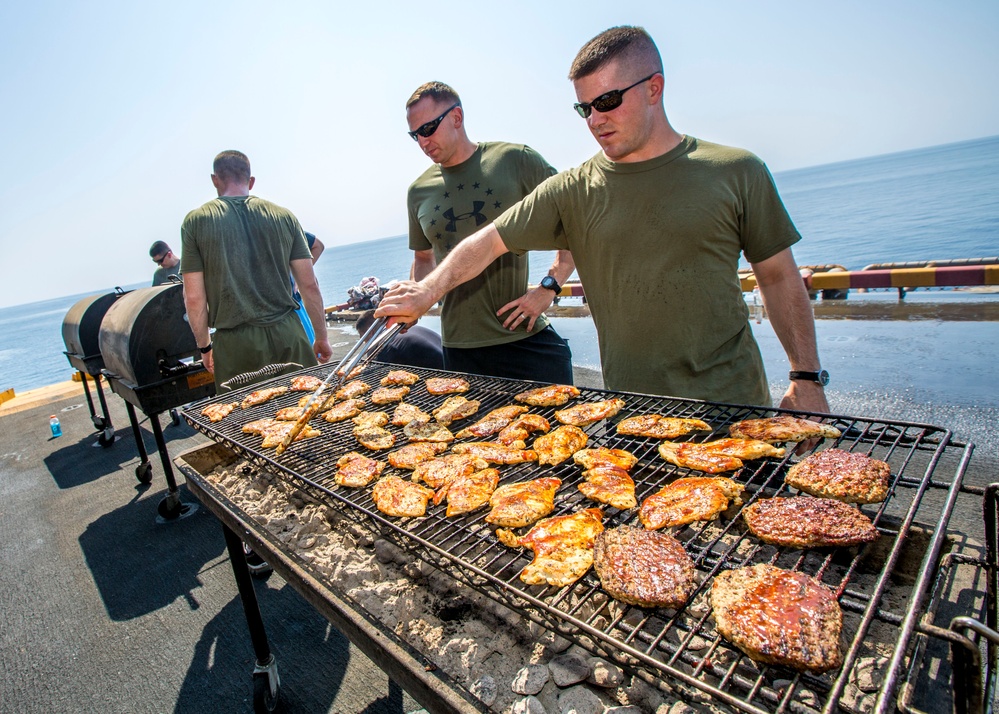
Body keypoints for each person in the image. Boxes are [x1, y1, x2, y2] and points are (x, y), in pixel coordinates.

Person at [379, 27, 829, 414]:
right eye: (585, 108)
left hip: (735, 402)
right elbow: (487, 241)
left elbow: (777, 276)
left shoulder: (736, 170)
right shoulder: (571, 190)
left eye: (608, 100)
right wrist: (427, 291)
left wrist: (806, 377)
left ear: (654, 87)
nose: (595, 119)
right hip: (632, 413)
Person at [405, 81, 575, 384]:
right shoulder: (418, 191)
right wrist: (416, 299)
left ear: (456, 117)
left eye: (428, 128)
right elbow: (422, 257)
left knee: (561, 431)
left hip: (526, 338)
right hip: (461, 351)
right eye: (415, 134)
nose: (422, 142)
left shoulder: (515, 160)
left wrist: (549, 287)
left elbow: (576, 221)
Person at [180, 150, 333, 388]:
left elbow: (193, 298)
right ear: (251, 181)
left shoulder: (196, 222)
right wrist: (321, 337)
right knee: (308, 411)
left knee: (247, 419)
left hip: (234, 346)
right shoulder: (284, 216)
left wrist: (205, 347)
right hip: (289, 335)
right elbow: (309, 285)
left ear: (215, 180)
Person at [355, 309, 444, 370]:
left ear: (370, 332)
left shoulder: (382, 345)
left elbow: (374, 373)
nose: (362, 340)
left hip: (441, 377)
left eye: (362, 336)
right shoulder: (406, 328)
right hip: (452, 365)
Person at [292, 231, 325, 343]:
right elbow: (317, 245)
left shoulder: (281, 225)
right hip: (292, 305)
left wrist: (298, 276)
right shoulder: (280, 222)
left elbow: (317, 245)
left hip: (292, 307)